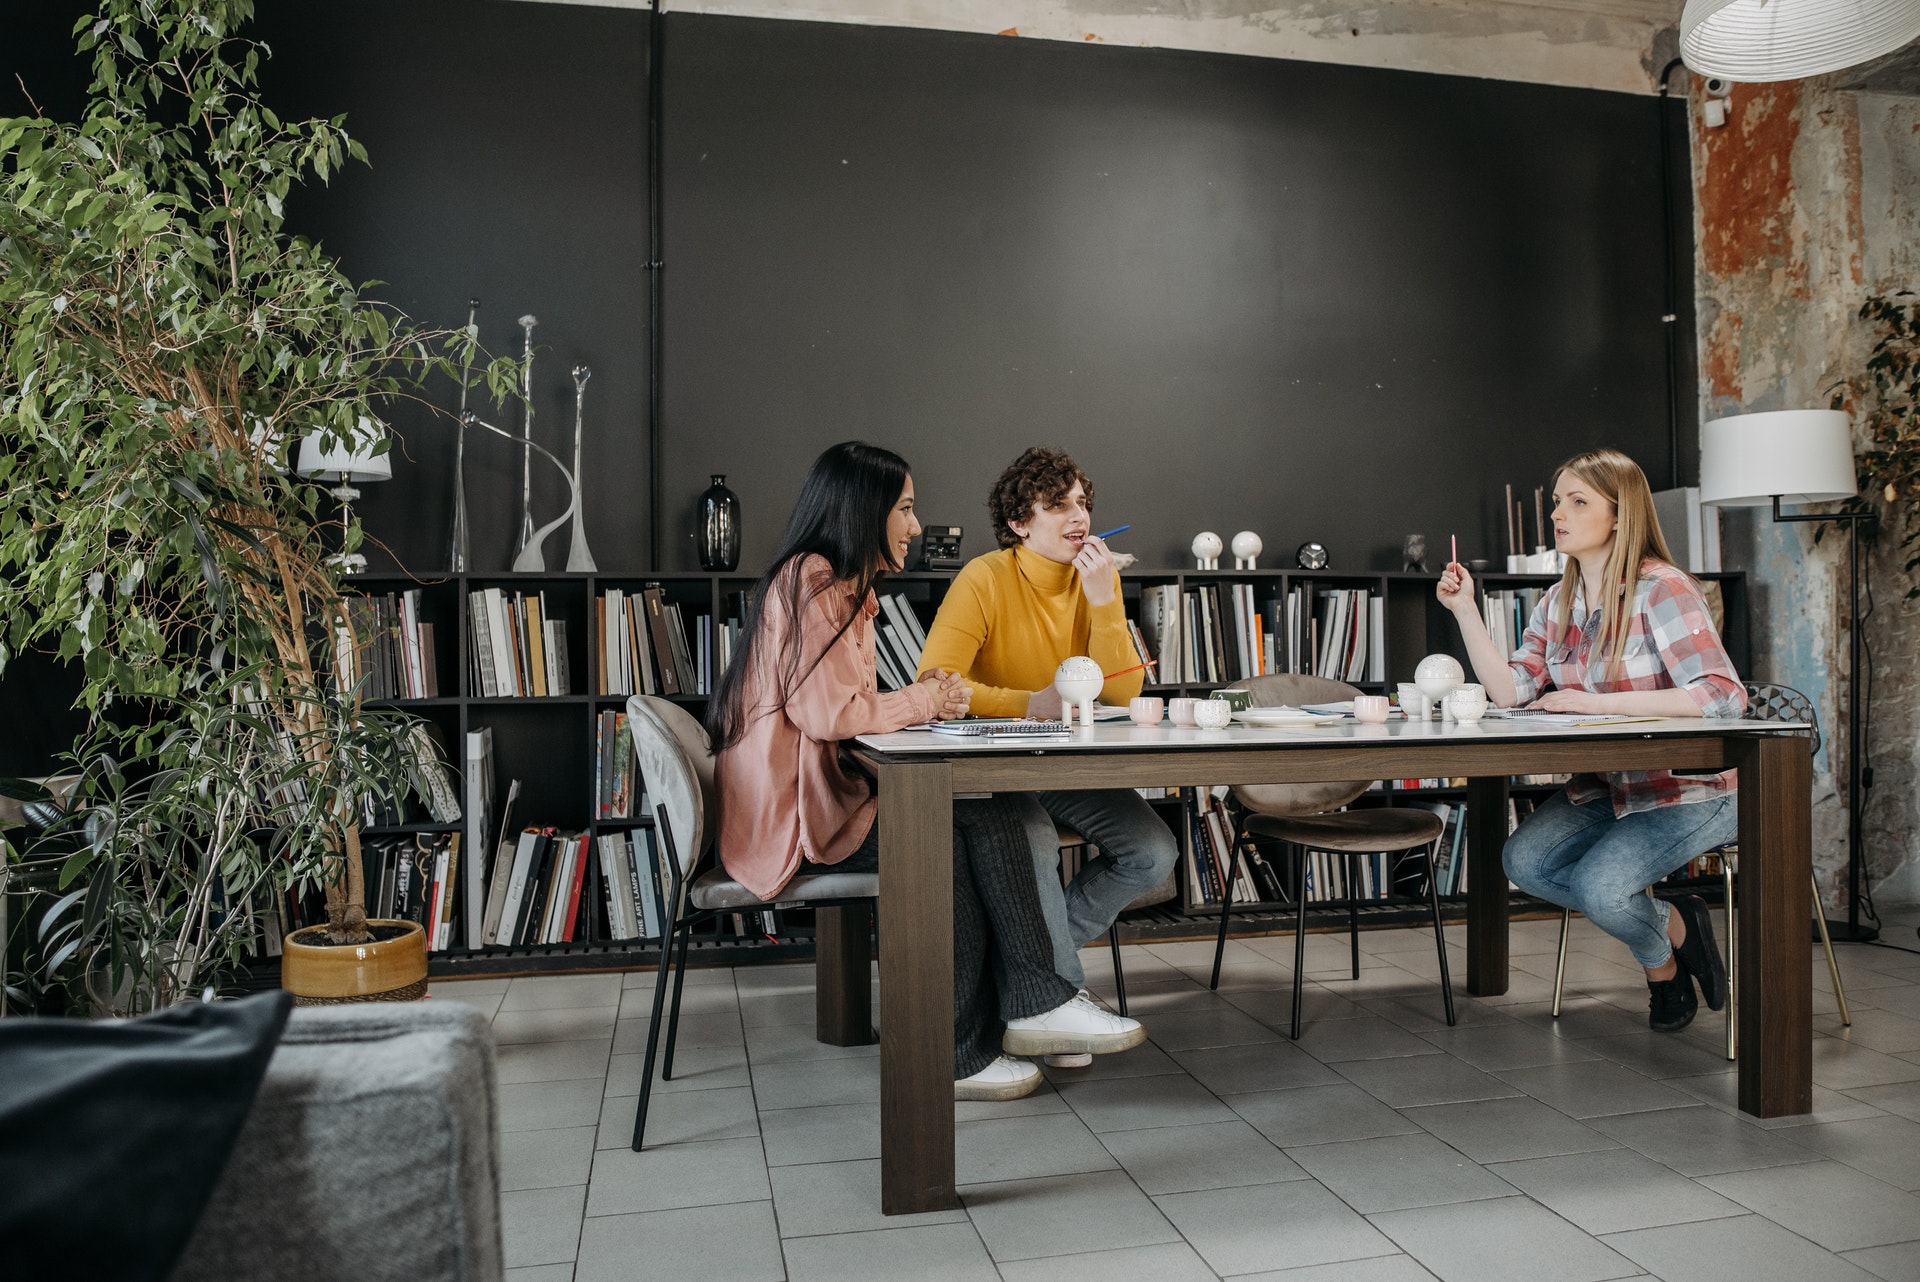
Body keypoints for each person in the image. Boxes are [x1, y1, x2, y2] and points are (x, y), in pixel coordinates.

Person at [709, 441, 1144, 1101]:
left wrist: (924, 701)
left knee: (982, 819)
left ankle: (1003, 1023)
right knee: (971, 823)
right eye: (906, 509)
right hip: (797, 821)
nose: (915, 526)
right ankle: (1007, 1019)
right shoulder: (814, 582)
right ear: (866, 509)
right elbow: (832, 714)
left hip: (826, 798)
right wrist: (926, 700)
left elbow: (1124, 691)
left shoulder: (838, 586)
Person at [1436, 448, 1743, 1032]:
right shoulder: (1559, 600)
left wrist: (1598, 704)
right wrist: (1465, 612)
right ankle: (1676, 926)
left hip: (1691, 790)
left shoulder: (1664, 589)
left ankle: (1662, 971)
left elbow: (1722, 695)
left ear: (1621, 516)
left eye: (1579, 502)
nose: (1559, 513)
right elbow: (1510, 692)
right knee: (1523, 863)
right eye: (1558, 501)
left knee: (1601, 890)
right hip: (1612, 786)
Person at [918, 447, 1180, 1066]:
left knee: (1152, 851)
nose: (1078, 516)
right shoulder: (984, 577)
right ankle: (1050, 1002)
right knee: (1032, 840)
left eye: (1083, 503)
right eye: (1058, 504)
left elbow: (1122, 690)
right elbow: (937, 681)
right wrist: (1026, 703)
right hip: (996, 766)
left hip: (1065, 767)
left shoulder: (1100, 579)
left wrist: (1104, 599)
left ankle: (1033, 985)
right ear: (1018, 522)